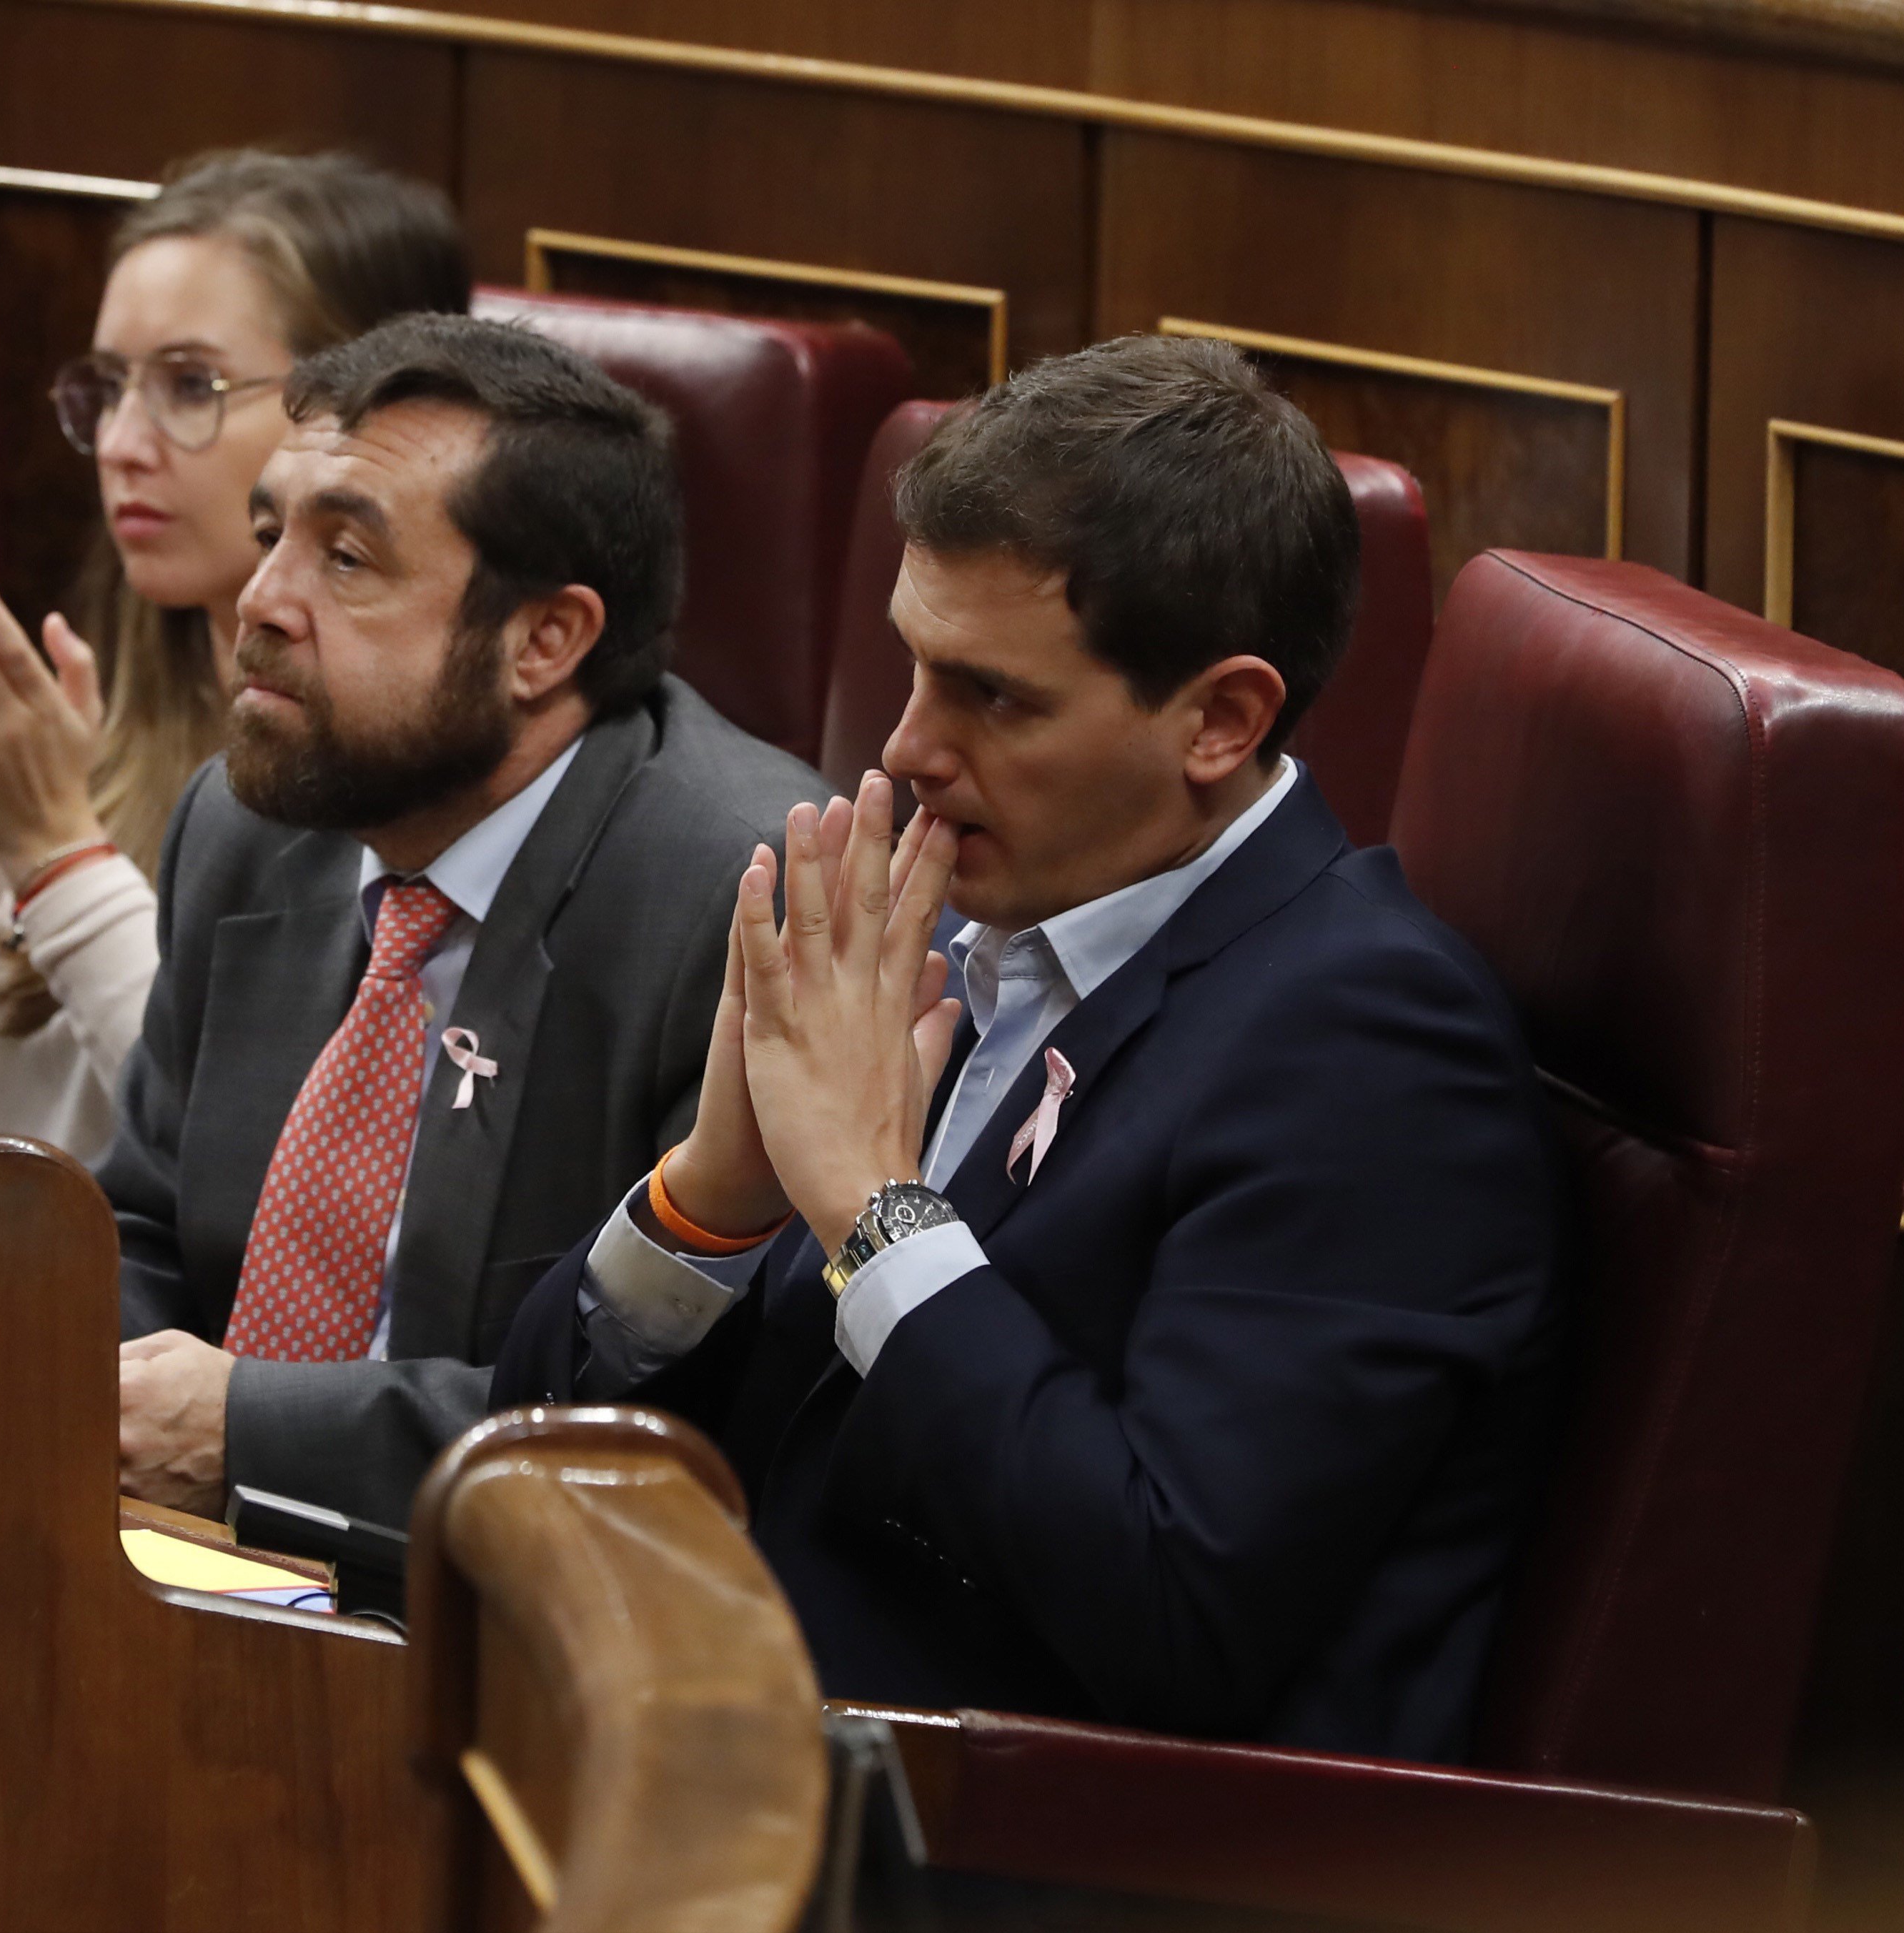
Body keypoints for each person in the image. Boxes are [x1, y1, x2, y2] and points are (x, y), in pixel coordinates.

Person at [495, 336, 1564, 1759]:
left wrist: (877, 1217)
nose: (903, 750)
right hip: (713, 1760)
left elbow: (1172, 1616)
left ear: (1220, 719)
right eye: (913, 669)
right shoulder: (940, 943)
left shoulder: (1370, 1051)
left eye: (993, 696)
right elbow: (530, 1456)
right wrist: (715, 1198)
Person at [103, 314, 826, 1529]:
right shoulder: (248, 821)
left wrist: (247, 1435)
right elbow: (141, 1221)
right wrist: (96, 1399)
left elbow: (674, 1419)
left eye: (347, 560)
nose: (261, 602)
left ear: (543, 640)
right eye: (272, 533)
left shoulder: (746, 898)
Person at [0, 152, 469, 1161]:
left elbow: (267, 1181)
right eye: (110, 388)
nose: (123, 443)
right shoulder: (75, 715)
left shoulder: (416, 773)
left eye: (189, 385)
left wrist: (57, 858)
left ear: (365, 417)